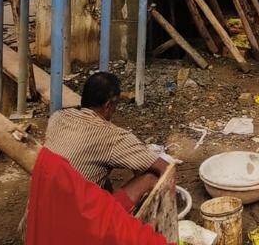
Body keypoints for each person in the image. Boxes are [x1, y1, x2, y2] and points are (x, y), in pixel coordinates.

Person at [43, 72, 170, 212]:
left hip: (37, 218)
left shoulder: (57, 117)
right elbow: (165, 168)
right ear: (108, 105)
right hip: (75, 225)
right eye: (116, 105)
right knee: (150, 179)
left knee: (98, 174)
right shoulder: (112, 136)